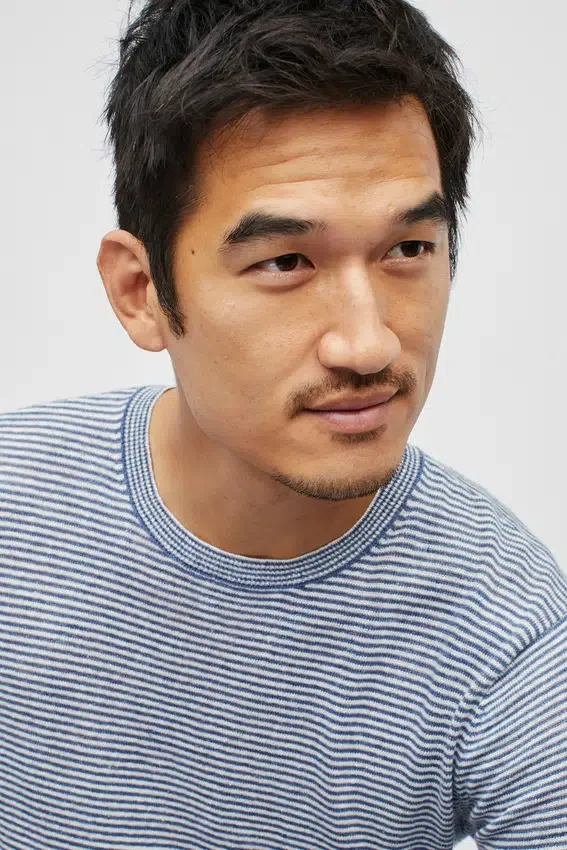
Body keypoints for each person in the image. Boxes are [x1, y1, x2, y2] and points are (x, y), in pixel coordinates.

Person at [0, 0, 565, 846]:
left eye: (407, 249)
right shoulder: (14, 510)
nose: (367, 343)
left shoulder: (507, 632)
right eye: (285, 261)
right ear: (140, 292)